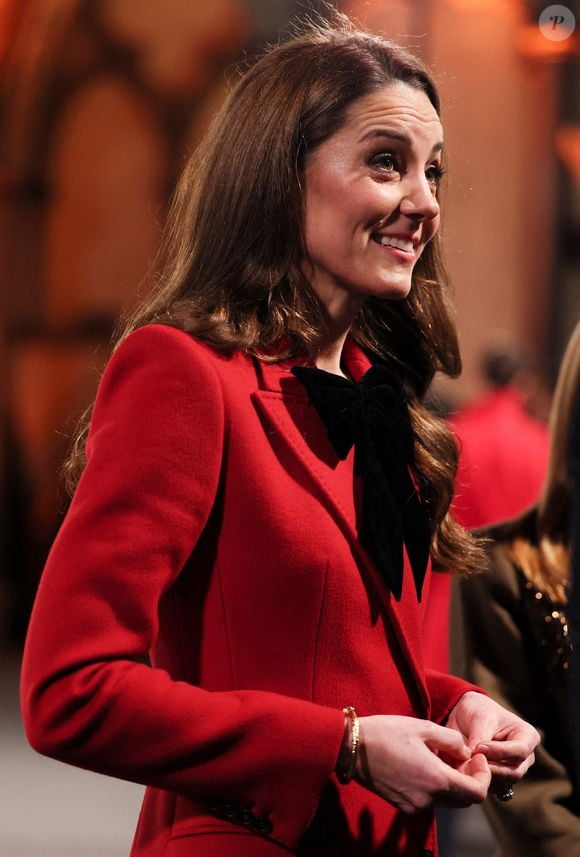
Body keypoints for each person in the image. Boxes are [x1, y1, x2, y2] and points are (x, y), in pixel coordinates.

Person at [20, 16, 538, 857]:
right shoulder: (184, 374)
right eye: (386, 161)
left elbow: (337, 662)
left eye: (433, 171)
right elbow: (69, 691)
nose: (426, 202)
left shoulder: (382, 404)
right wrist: (344, 745)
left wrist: (450, 705)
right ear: (281, 177)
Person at [451, 321, 580, 856]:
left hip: (454, 607)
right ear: (526, 383)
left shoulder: (457, 435)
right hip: (526, 590)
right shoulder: (534, 442)